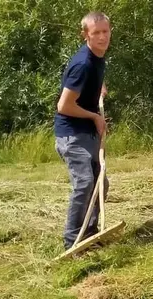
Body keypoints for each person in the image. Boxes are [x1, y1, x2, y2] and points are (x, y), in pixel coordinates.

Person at [54, 12, 111, 249]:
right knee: (85, 183)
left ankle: (89, 233)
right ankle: (72, 241)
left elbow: (90, 79)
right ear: (85, 34)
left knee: (101, 184)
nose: (101, 37)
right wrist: (95, 117)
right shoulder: (83, 64)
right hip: (71, 134)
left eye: (105, 31)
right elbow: (64, 105)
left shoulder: (96, 57)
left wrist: (99, 87)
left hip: (86, 131)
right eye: (95, 33)